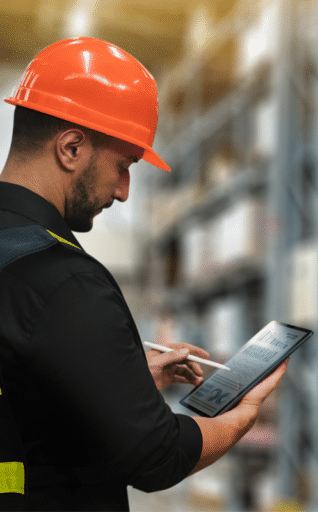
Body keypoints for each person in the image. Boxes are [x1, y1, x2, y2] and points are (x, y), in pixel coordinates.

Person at [0, 38, 288, 510]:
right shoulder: (65, 279)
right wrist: (243, 414)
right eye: (124, 165)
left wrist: (113, 383)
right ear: (71, 148)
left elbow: (22, 390)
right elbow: (155, 457)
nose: (124, 191)